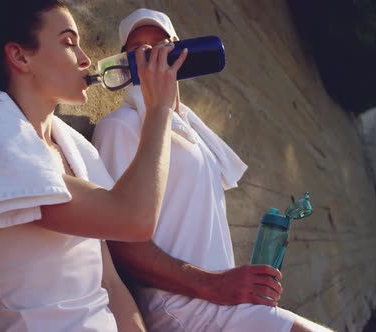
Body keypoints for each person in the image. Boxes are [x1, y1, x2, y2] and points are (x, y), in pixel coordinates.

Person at [0, 1, 187, 331]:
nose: (86, 59)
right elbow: (135, 219)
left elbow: (111, 286)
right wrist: (158, 109)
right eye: (68, 42)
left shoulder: (76, 152)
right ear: (20, 56)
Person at [92, 8, 334, 332]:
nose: (151, 55)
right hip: (183, 309)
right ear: (126, 62)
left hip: (224, 300)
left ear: (181, 53)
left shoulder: (193, 130)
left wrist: (237, 283)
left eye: (162, 44)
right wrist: (214, 285)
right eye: (138, 49)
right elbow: (120, 240)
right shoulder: (119, 127)